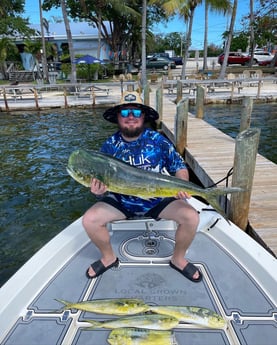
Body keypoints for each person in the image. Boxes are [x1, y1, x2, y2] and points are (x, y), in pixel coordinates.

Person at [82, 91, 202, 283]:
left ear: (143, 117)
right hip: (121, 201)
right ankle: (108, 258)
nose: (131, 117)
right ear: (118, 118)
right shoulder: (109, 145)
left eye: (136, 113)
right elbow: (101, 179)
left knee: (191, 217)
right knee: (89, 220)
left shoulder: (158, 140)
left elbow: (179, 167)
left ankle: (178, 259)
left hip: (157, 199)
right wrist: (98, 191)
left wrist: (183, 185)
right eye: (125, 112)